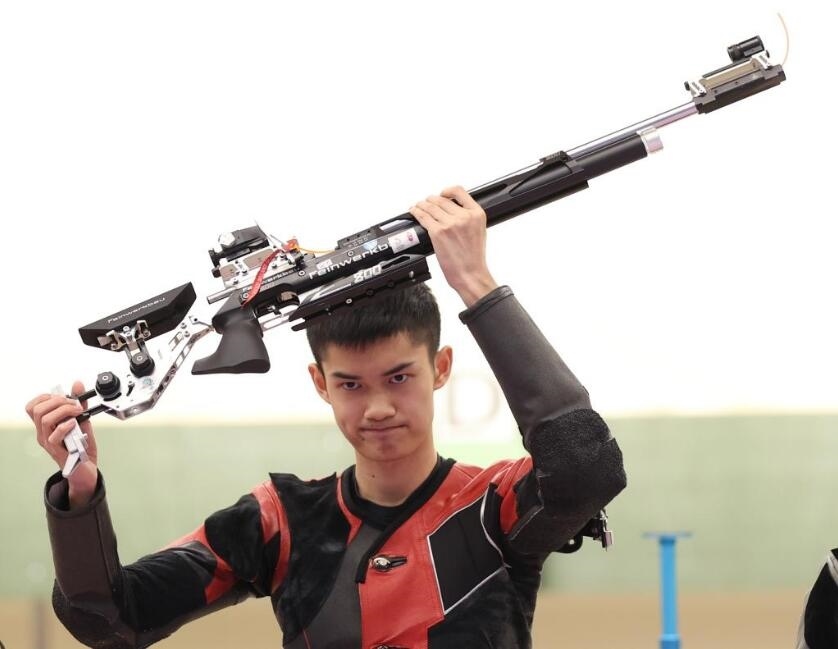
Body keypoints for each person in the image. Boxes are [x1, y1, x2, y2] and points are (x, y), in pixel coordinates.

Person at [26, 186, 627, 648]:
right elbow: (107, 618)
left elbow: (586, 469)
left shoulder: (493, 504)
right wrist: (79, 495)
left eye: (399, 377)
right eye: (351, 384)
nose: (379, 407)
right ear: (321, 384)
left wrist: (474, 282)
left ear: (440, 368)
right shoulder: (279, 521)